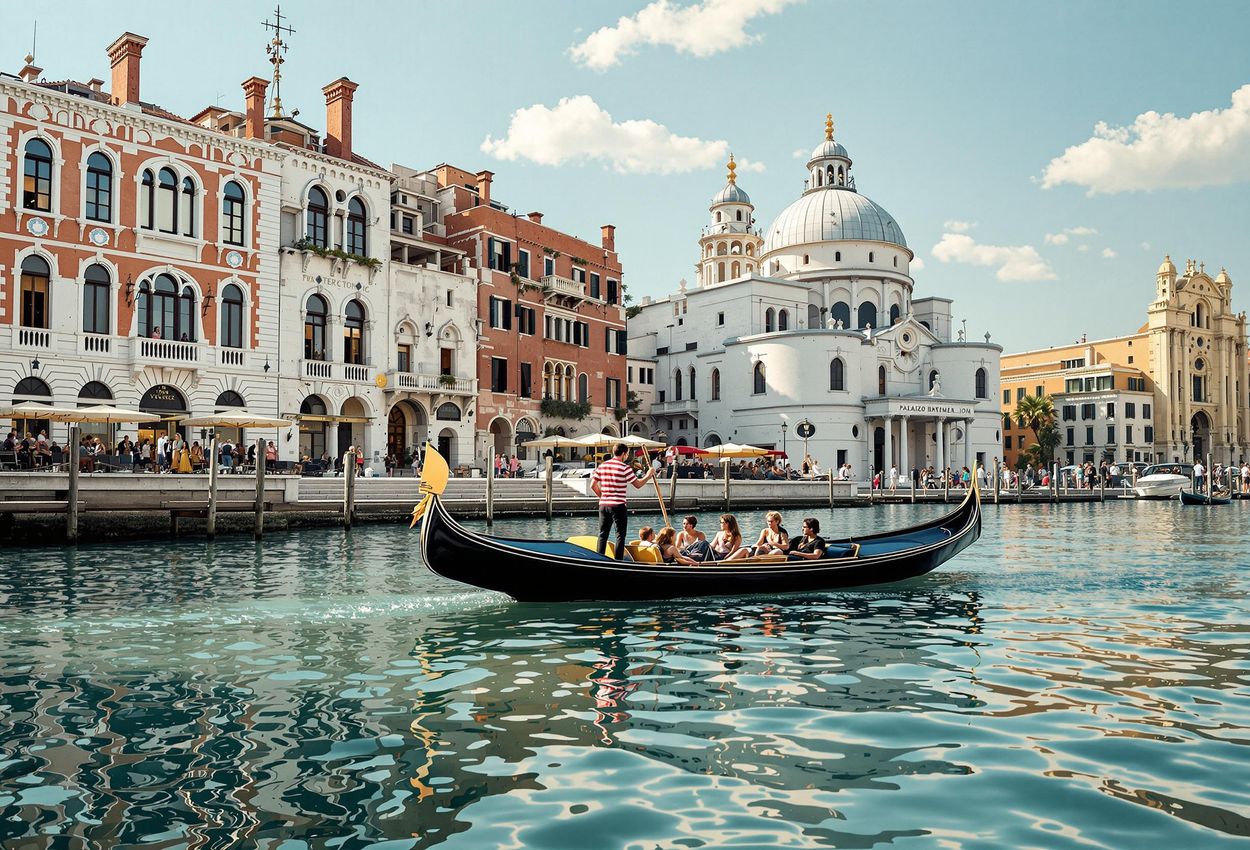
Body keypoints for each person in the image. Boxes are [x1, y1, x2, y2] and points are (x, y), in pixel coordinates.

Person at [590, 443, 656, 560]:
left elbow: (593, 485)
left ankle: (598, 559)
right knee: (620, 535)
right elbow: (638, 484)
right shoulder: (625, 468)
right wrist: (649, 475)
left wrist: (603, 497)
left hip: (603, 505)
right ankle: (618, 561)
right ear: (624, 454)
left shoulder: (602, 466)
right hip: (618, 505)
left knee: (602, 535)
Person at [676, 514, 742, 564]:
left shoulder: (737, 536)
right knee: (702, 543)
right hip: (714, 554)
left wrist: (725, 559)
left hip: (721, 556)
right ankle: (688, 554)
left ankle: (687, 555)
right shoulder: (719, 533)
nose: (720, 524)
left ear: (728, 524)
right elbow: (712, 545)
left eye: (722, 522)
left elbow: (733, 551)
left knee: (703, 543)